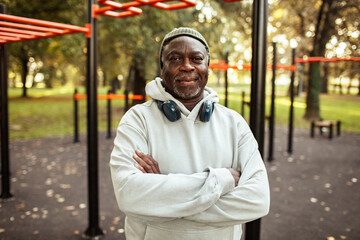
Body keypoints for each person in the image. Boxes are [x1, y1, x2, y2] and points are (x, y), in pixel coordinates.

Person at [110, 27, 270, 240]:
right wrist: (221, 181)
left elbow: (257, 200)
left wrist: (163, 201)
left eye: (196, 58)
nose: (187, 66)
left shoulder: (234, 123)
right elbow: (129, 195)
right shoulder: (137, 120)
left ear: (207, 67)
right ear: (162, 67)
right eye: (175, 58)